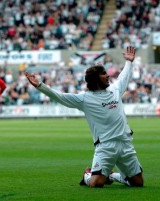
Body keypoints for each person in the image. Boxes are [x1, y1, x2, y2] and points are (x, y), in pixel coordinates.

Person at [25, 46, 143, 188]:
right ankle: (88, 175)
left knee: (137, 183)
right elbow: (61, 97)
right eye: (104, 74)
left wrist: (129, 62)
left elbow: (124, 75)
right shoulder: (85, 99)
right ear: (95, 79)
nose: (108, 76)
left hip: (125, 142)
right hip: (105, 146)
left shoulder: (115, 89)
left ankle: (111, 175)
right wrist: (40, 86)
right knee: (96, 183)